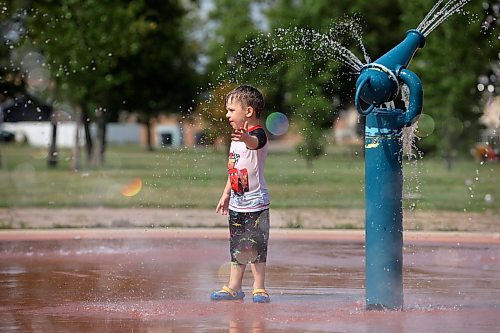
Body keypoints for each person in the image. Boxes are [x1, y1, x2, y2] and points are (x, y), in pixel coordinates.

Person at [211, 84, 271, 303]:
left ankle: (259, 287)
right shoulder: (236, 138)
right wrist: (226, 193)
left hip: (256, 203)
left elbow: (255, 144)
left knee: (256, 245)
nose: (227, 115)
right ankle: (234, 287)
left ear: (248, 112)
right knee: (238, 246)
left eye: (231, 110)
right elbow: (234, 169)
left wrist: (246, 138)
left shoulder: (256, 135)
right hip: (237, 204)